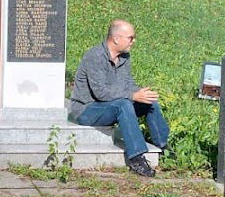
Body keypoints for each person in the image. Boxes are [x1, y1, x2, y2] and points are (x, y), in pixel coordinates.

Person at [68, 19, 169, 177]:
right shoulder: (95, 56)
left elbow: (127, 83)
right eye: (131, 37)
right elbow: (100, 92)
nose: (134, 41)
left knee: (149, 103)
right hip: (86, 109)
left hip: (109, 105)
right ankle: (136, 159)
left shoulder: (124, 57)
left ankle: (163, 147)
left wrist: (141, 93)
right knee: (123, 105)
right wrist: (132, 95)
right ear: (116, 39)